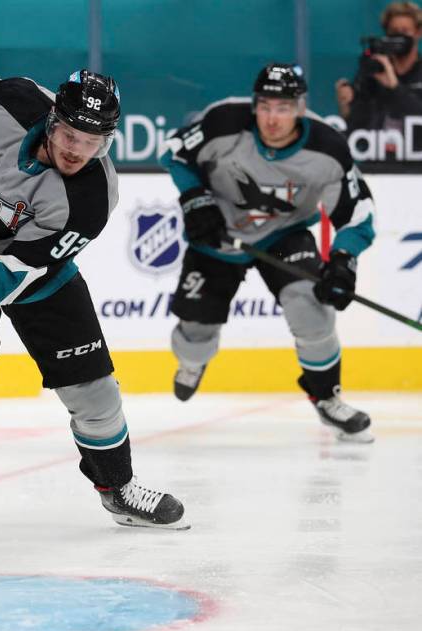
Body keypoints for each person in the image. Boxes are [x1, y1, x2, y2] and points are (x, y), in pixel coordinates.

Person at [0, 67, 189, 554]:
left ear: (106, 141)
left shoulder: (90, 199)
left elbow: (12, 275)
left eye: (91, 141)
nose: (75, 149)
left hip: (39, 280)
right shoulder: (16, 103)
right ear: (52, 120)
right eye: (68, 134)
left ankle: (117, 488)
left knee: (95, 391)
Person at [161, 63, 376, 443]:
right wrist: (196, 199)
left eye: (283, 107)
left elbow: (357, 213)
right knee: (196, 330)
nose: (272, 118)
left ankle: (327, 396)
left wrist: (343, 261)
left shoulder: (327, 148)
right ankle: (193, 362)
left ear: (301, 106)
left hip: (285, 234)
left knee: (311, 308)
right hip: (219, 234)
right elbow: (175, 153)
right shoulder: (224, 121)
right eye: (265, 106)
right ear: (254, 104)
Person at [335, 2, 422, 135]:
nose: (398, 37)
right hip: (377, 152)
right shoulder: (375, 70)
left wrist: (394, 87)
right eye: (394, 32)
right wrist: (346, 105)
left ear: (418, 32)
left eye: (404, 31)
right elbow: (356, 126)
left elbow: (418, 117)